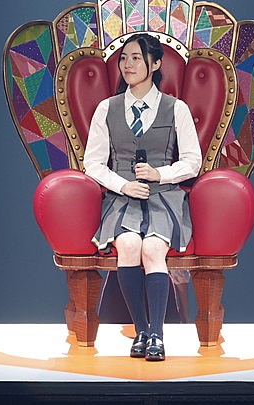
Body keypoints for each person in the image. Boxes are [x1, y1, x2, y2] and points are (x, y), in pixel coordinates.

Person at [83, 33, 201, 361]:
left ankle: (157, 337)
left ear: (156, 64)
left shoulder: (175, 108)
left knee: (152, 249)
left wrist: (159, 174)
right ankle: (141, 331)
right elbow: (93, 162)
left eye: (136, 58)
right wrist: (123, 186)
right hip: (122, 198)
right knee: (129, 245)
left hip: (164, 197)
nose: (128, 65)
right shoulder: (107, 108)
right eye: (124, 58)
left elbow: (192, 161)